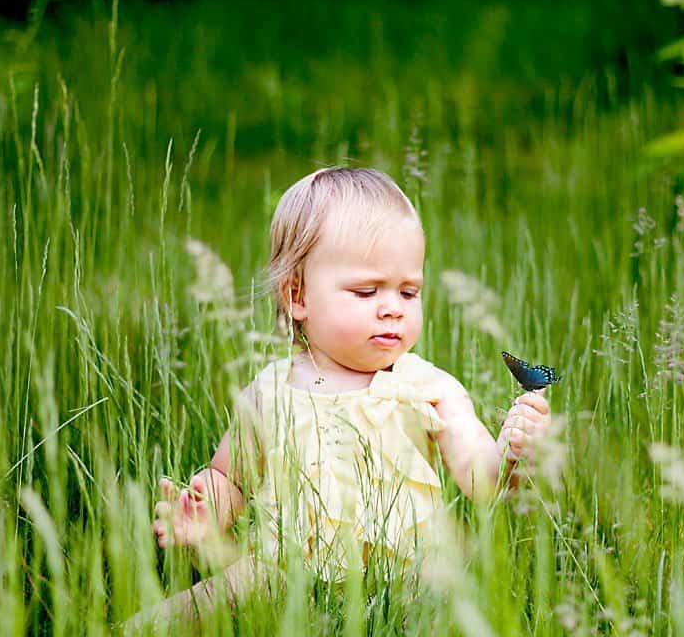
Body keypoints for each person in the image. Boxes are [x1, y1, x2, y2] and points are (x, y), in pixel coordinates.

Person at [140, 166, 553, 630]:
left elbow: (482, 481)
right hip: (286, 567)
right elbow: (229, 476)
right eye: (365, 290)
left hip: (412, 572)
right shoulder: (272, 390)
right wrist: (205, 510)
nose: (392, 306)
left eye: (409, 291)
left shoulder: (430, 388)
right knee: (210, 600)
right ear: (297, 297)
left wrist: (514, 454)